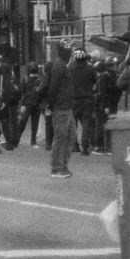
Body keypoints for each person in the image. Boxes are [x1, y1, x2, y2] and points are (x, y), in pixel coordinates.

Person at [46, 45, 83, 177]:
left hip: (67, 106)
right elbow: (53, 87)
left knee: (71, 136)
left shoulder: (62, 66)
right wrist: (51, 106)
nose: (69, 54)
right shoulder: (59, 67)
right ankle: (57, 167)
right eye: (67, 52)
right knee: (61, 136)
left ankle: (63, 164)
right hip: (60, 107)